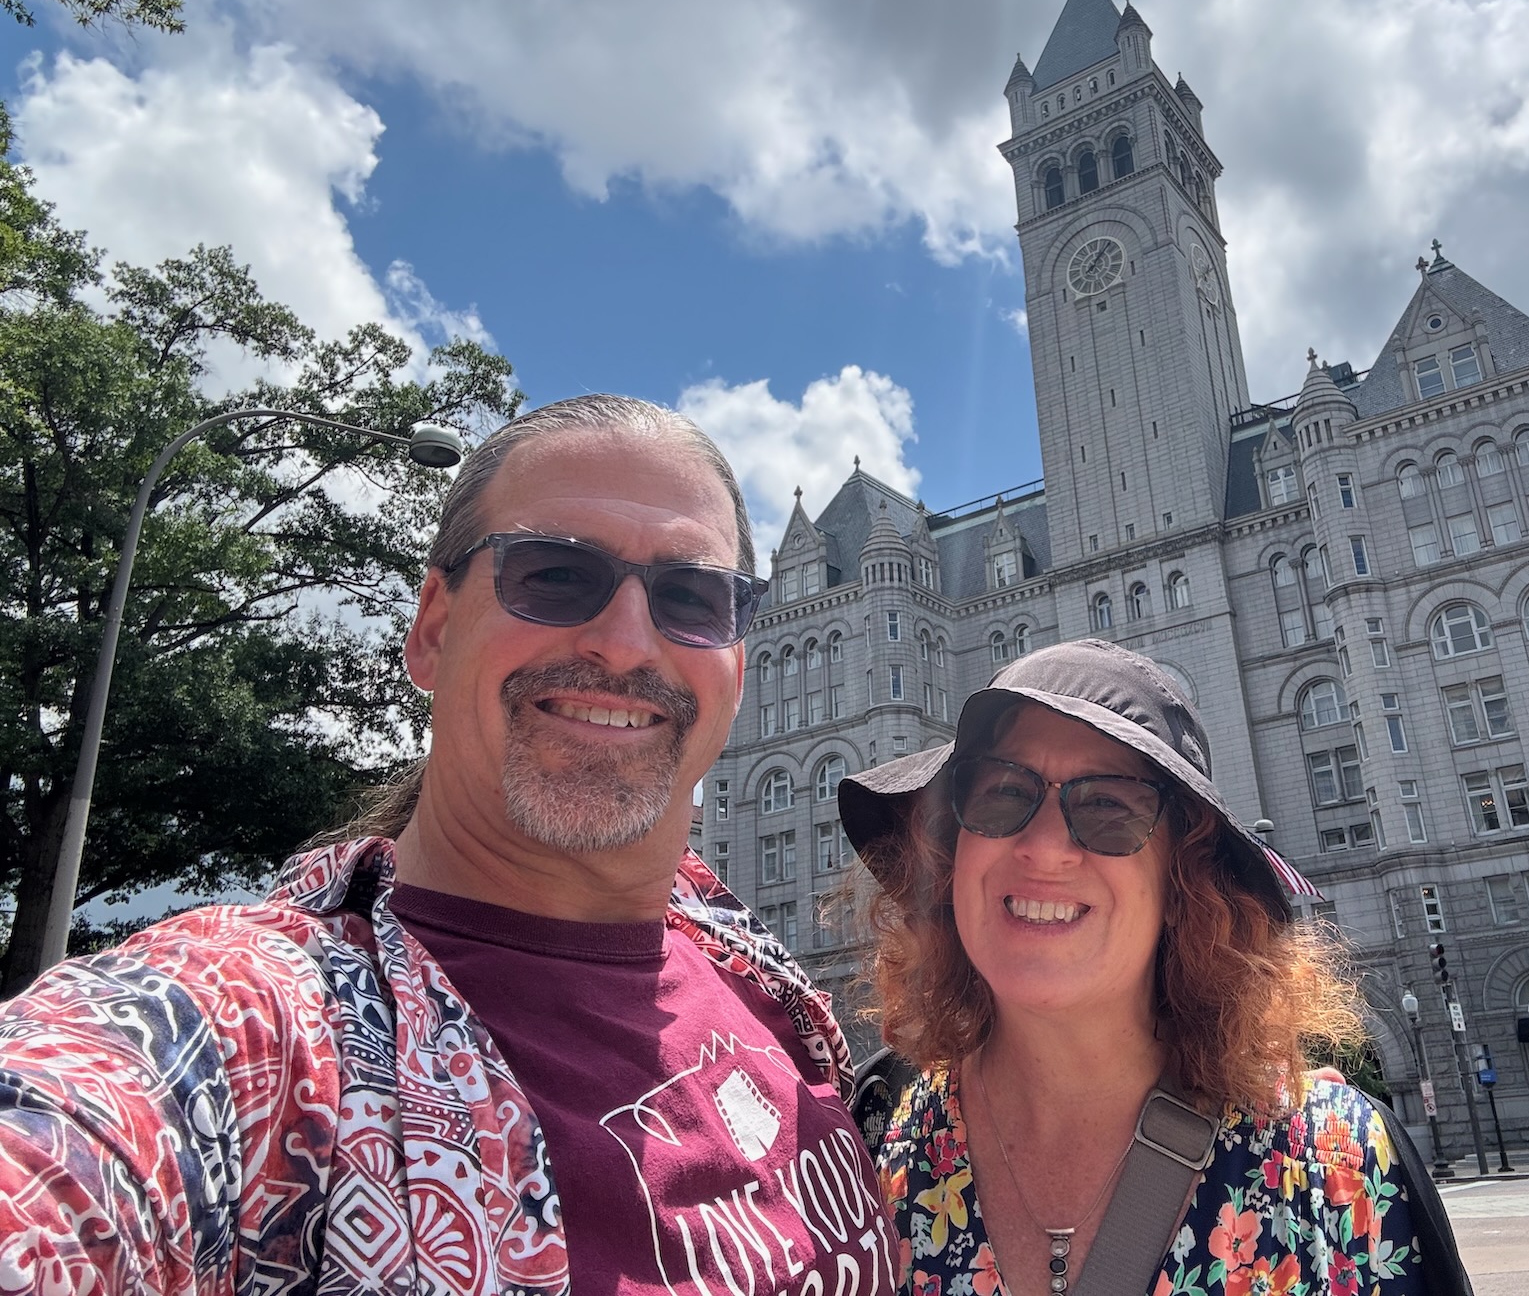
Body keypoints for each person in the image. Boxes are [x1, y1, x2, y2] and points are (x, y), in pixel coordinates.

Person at [0, 395, 896, 1294]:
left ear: (737, 666)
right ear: (432, 627)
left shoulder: (755, 971)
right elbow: (71, 1139)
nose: (626, 644)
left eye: (691, 597)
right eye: (555, 574)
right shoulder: (253, 1032)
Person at [839, 639, 1443, 1296]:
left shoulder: (1337, 1166)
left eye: (1107, 806)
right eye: (1004, 793)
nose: (1045, 847)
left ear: (1183, 879)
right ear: (952, 858)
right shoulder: (862, 1149)